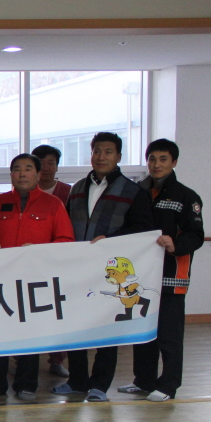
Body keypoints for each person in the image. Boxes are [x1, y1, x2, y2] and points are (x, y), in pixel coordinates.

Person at [54, 132, 154, 402]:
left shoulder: (133, 191)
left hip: (111, 272)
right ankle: (77, 381)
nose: (101, 157)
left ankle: (99, 385)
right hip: (77, 270)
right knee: (75, 326)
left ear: (118, 156)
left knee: (106, 329)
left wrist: (111, 240)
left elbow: (142, 229)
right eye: (97, 151)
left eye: (108, 152)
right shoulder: (77, 188)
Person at [0, 154, 74, 401]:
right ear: (11, 174)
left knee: (30, 333)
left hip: (35, 280)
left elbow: (65, 240)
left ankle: (26, 385)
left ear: (38, 174)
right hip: (1, 280)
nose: (22, 174)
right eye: (17, 169)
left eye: (28, 169)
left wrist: (41, 251)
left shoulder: (53, 204)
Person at [118, 139, 204, 402]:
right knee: (143, 332)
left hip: (171, 276)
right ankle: (143, 380)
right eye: (152, 159)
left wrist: (175, 245)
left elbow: (196, 235)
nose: (156, 164)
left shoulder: (186, 197)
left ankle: (168, 385)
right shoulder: (138, 192)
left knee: (169, 335)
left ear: (174, 162)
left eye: (163, 159)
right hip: (142, 276)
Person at [29, 144, 71, 376]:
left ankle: (57, 360)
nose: (46, 167)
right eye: (41, 163)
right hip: (29, 264)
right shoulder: (24, 191)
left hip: (58, 262)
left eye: (51, 163)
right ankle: (23, 361)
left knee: (57, 312)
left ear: (57, 166)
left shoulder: (68, 192)